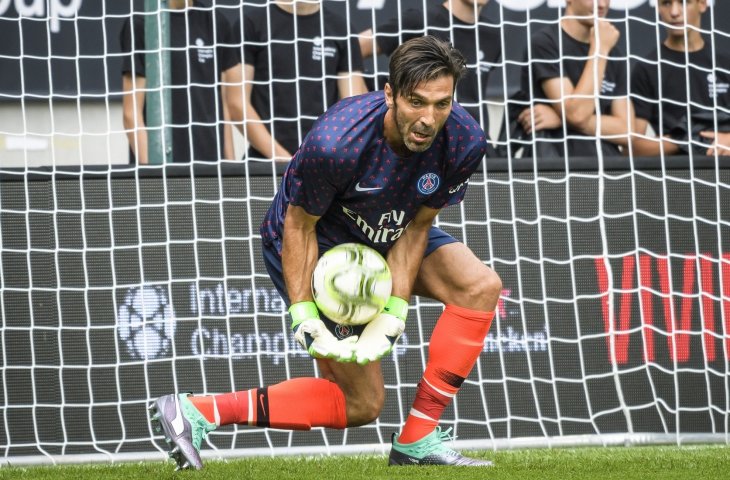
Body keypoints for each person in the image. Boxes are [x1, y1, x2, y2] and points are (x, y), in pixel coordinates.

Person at [149, 35, 500, 469]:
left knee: (480, 287)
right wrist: (305, 315)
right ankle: (198, 411)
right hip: (318, 242)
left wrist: (393, 309)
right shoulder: (337, 142)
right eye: (416, 102)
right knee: (362, 404)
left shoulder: (464, 141)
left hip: (390, 227)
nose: (429, 119)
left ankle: (418, 438)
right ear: (389, 93)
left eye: (441, 104)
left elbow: (417, 229)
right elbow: (299, 226)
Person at [228, 0, 368, 162]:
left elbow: (353, 110)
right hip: (266, 164)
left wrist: (325, 157)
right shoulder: (252, 23)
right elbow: (237, 103)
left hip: (321, 164)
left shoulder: (340, 28)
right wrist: (285, 160)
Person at [120, 0, 241, 164]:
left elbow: (223, 108)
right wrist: (152, 176)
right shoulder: (142, 23)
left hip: (211, 169)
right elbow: (131, 114)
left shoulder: (215, 21)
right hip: (164, 169)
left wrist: (229, 168)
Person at [510, 0, 633, 158]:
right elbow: (577, 115)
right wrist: (600, 51)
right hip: (556, 169)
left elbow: (627, 132)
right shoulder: (546, 43)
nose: (601, 4)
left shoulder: (614, 53)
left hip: (606, 170)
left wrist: (561, 119)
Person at [358, 0, 500, 126]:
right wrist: (364, 101)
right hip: (426, 132)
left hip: (471, 134)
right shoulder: (421, 20)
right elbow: (351, 48)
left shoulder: (492, 34)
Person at [630, 0, 730, 157]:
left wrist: (728, 140)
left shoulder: (725, 65)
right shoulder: (647, 68)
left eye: (684, 2)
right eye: (666, 3)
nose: (675, 12)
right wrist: (687, 139)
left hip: (724, 175)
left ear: (702, 4)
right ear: (658, 7)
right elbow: (634, 147)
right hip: (675, 175)